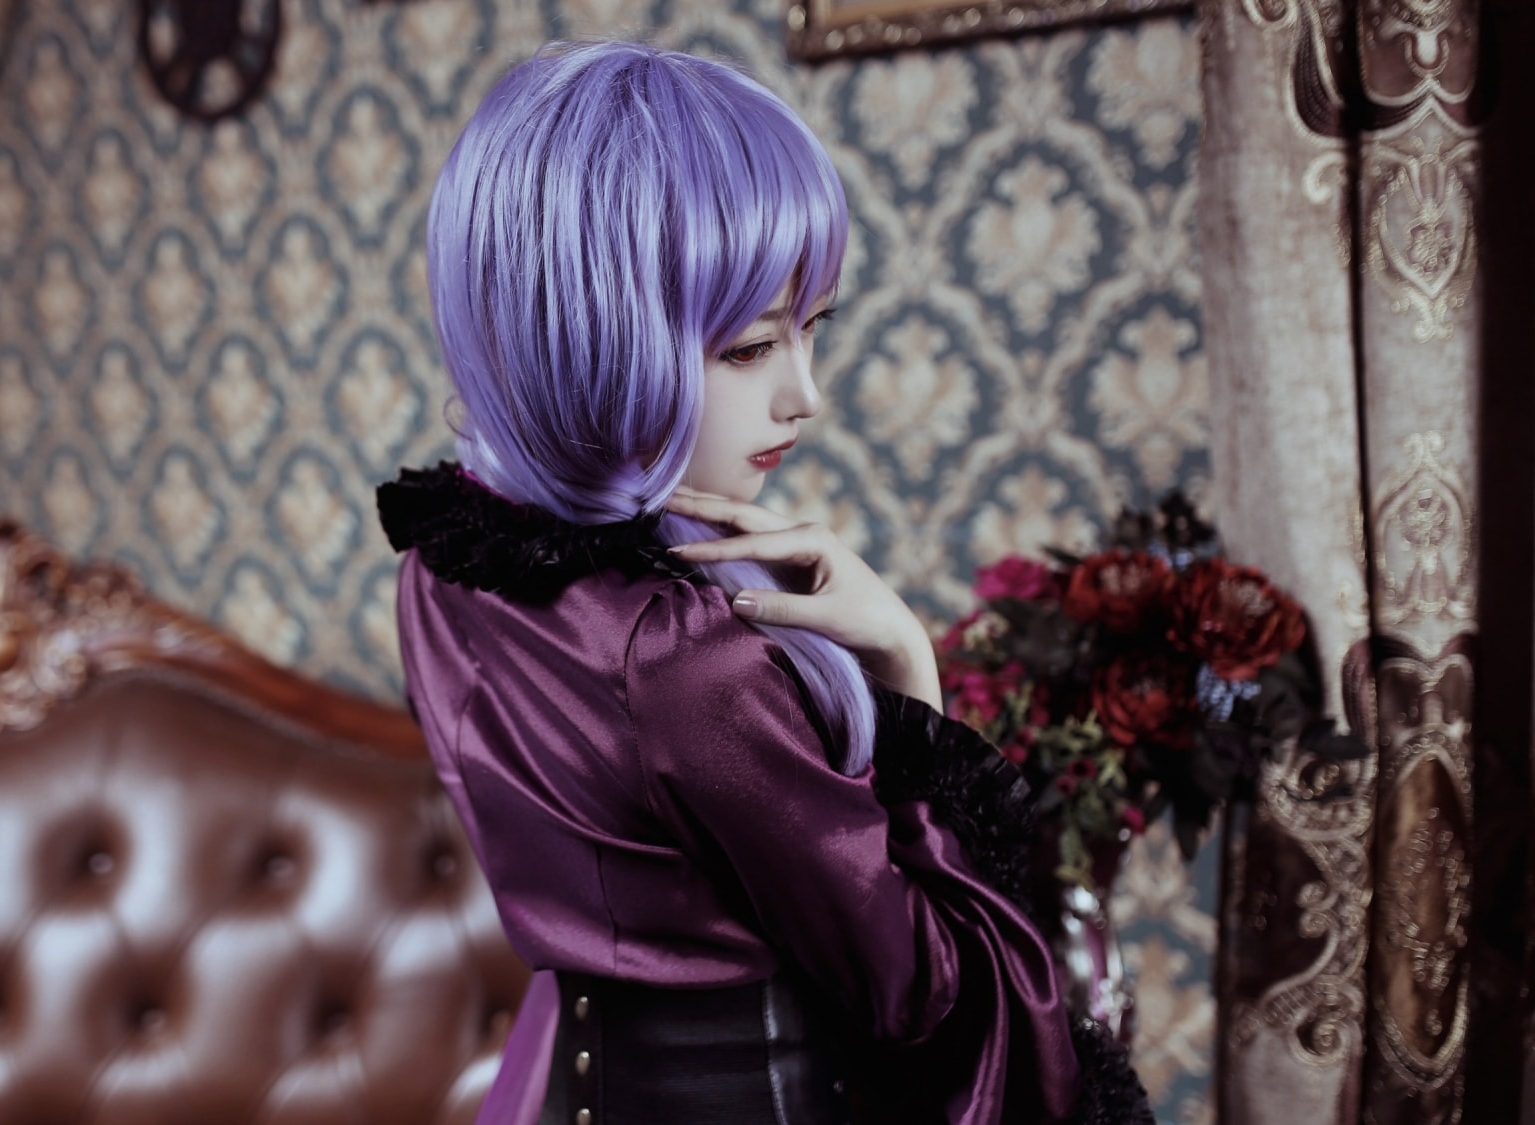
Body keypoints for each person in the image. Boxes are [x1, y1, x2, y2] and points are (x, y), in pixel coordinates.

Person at [376, 41, 1153, 1125]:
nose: (804, 395)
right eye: (749, 348)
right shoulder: (683, 657)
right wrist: (908, 675)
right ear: (594, 340)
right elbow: (928, 997)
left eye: (811, 329)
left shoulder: (443, 565)